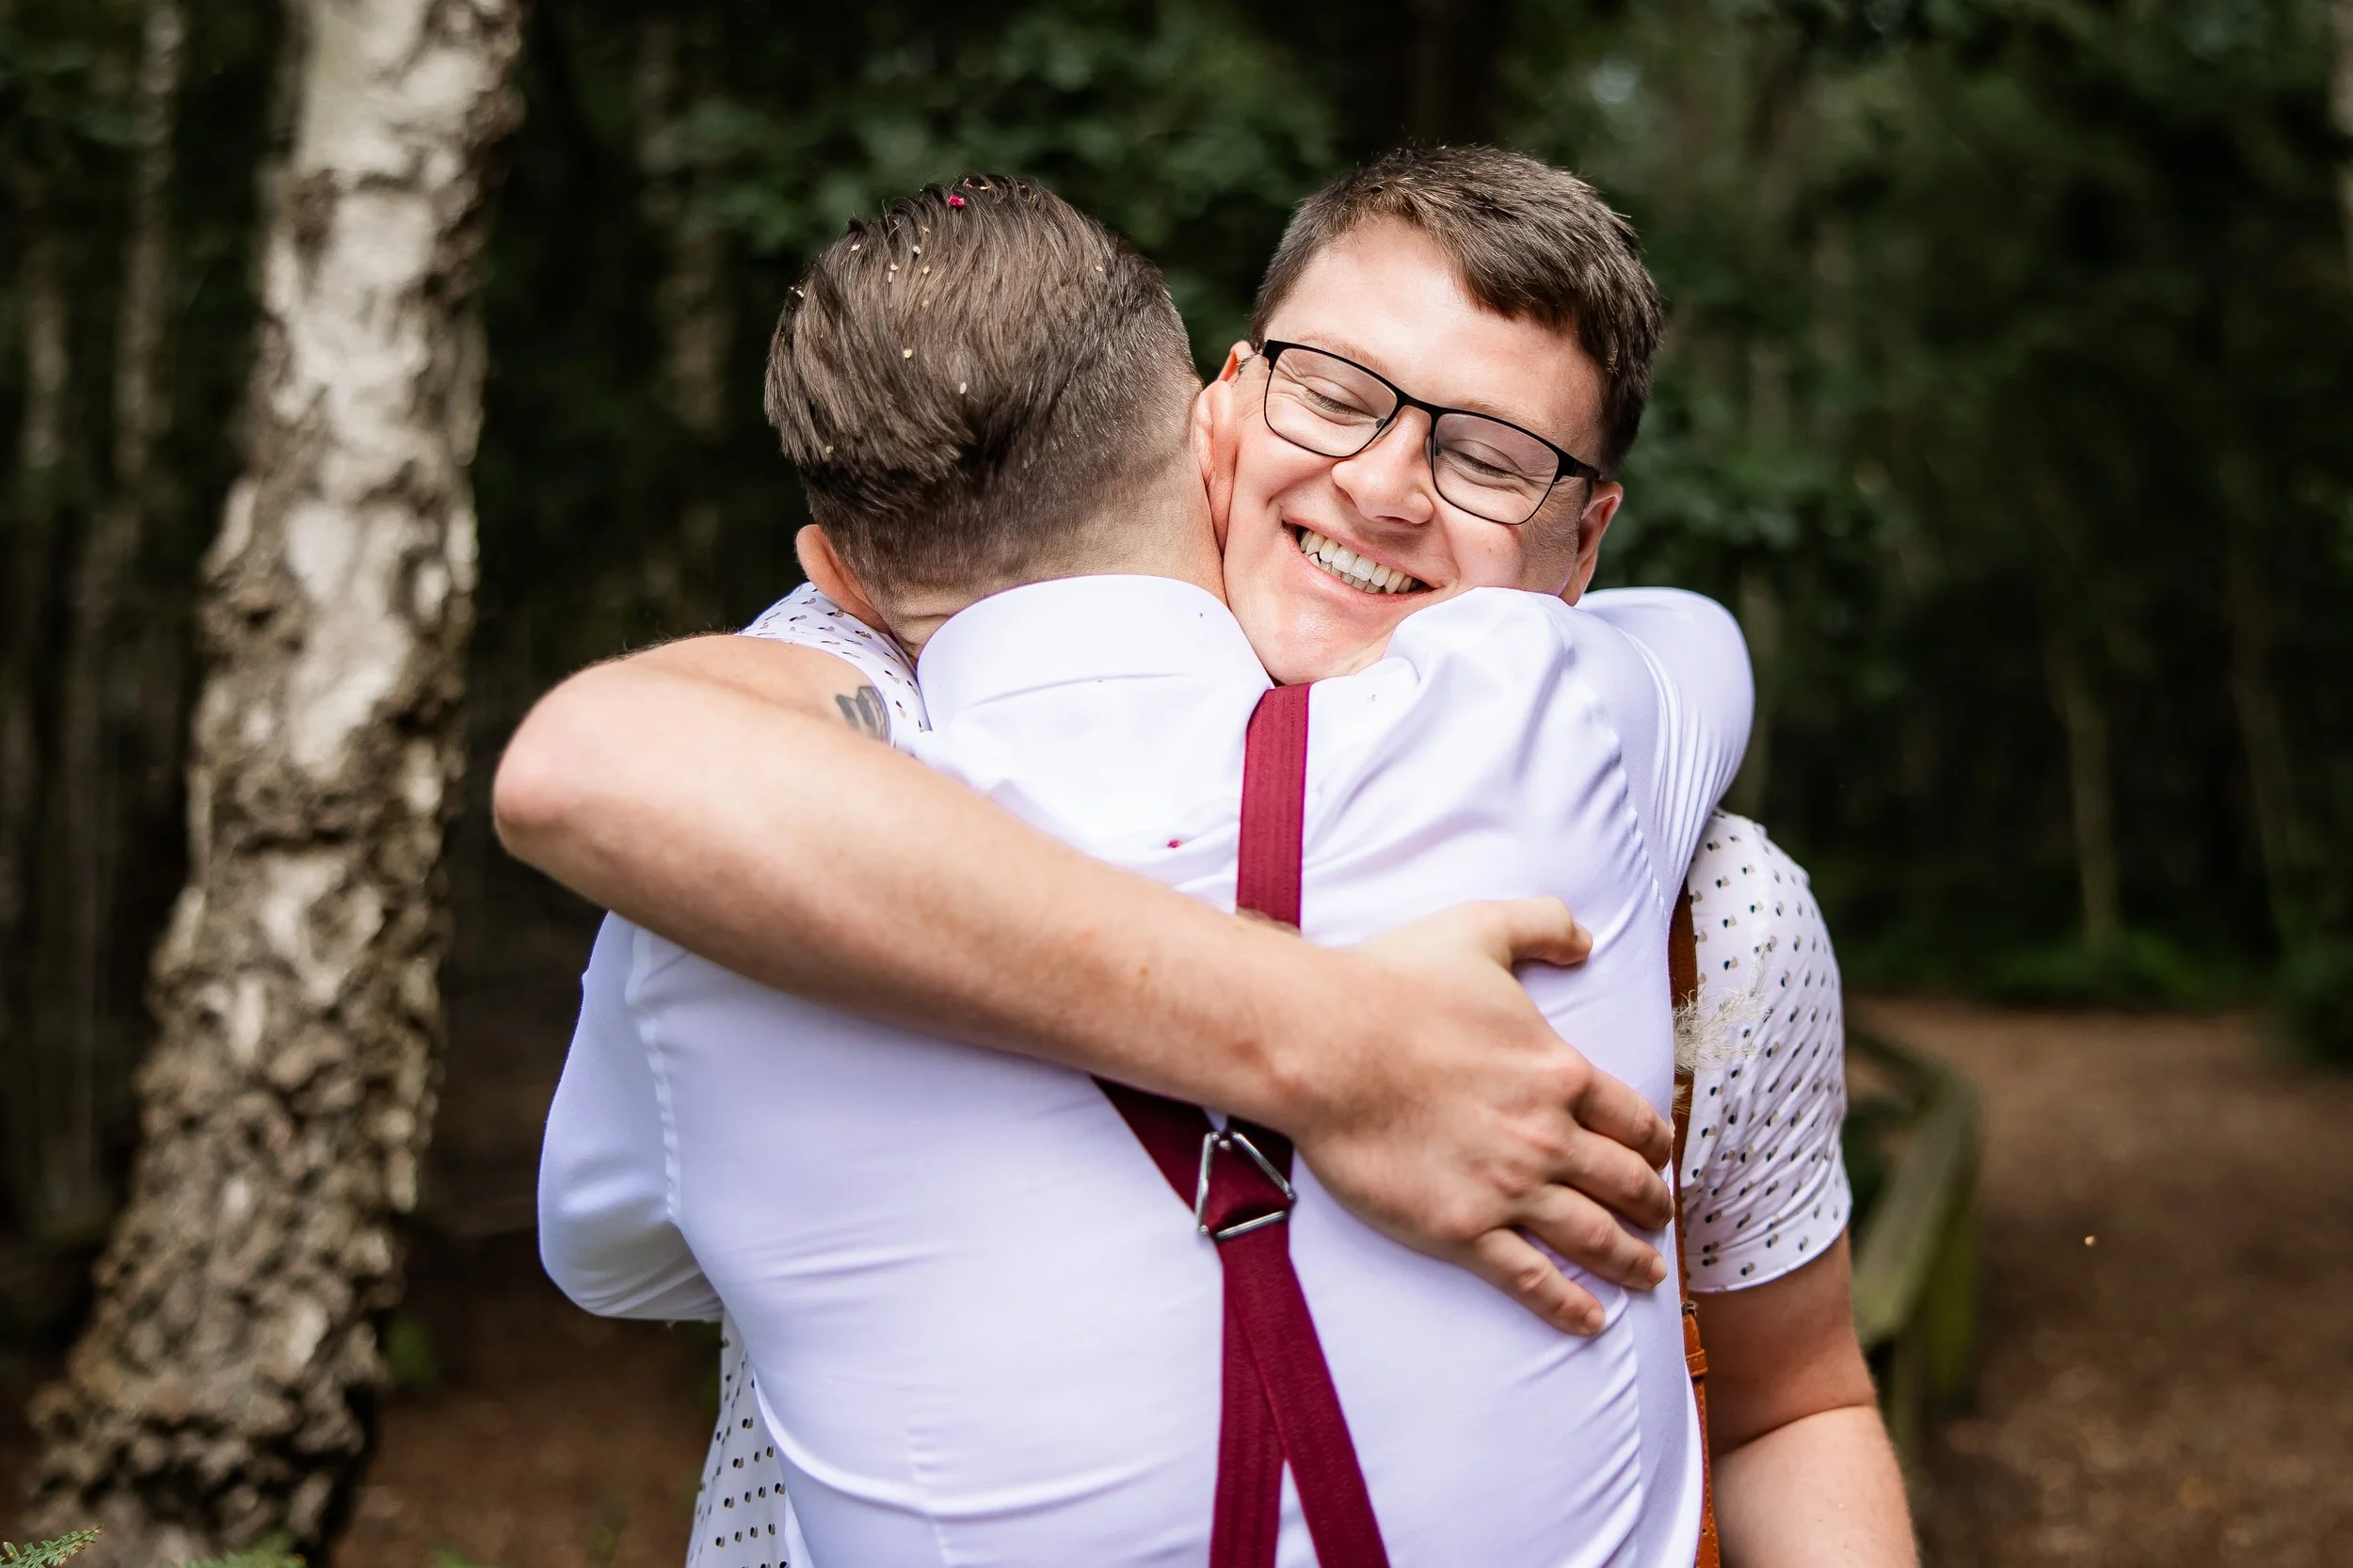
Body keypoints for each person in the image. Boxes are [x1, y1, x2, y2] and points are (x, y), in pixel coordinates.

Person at [512, 152, 1913, 1565]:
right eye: (1336, 394)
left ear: (1583, 544)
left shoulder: (1713, 911)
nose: (1382, 487)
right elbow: (615, 765)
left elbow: (1796, 1404)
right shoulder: (806, 782)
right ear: (1220, 408)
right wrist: (1333, 1042)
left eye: (1490, 458)